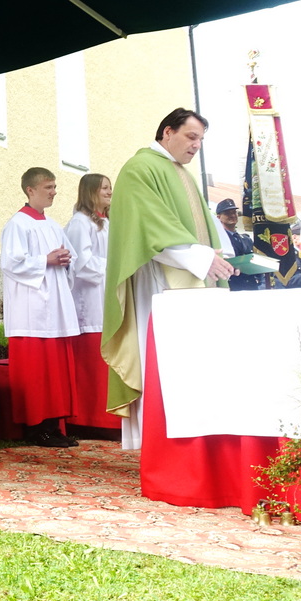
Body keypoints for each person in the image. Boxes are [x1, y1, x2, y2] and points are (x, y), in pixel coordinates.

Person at [102, 108, 235, 450]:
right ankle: (161, 442)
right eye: (191, 137)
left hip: (192, 282)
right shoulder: (140, 168)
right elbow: (148, 228)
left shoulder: (182, 174)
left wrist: (215, 258)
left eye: (201, 140)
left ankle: (196, 437)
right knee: (161, 361)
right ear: (167, 132)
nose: (196, 146)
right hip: (158, 283)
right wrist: (201, 259)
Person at [0, 167, 80, 447]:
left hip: (55, 307)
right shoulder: (18, 224)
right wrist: (46, 260)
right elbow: (11, 263)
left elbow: (71, 259)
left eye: (54, 187)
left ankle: (53, 426)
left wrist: (66, 260)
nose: (54, 192)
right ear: (30, 190)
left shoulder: (54, 225)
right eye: (48, 187)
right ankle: (36, 428)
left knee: (54, 370)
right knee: (37, 371)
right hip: (31, 309)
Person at [63, 173, 122, 432]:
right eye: (104, 188)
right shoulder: (80, 223)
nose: (110, 192)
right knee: (91, 364)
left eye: (110, 187)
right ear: (90, 192)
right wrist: (115, 265)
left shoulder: (106, 222)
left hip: (108, 295)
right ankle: (89, 420)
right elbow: (81, 263)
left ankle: (109, 418)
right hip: (90, 301)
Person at [215, 198, 264, 291]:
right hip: (231, 286)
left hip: (251, 286)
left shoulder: (246, 239)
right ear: (218, 217)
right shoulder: (218, 239)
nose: (232, 215)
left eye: (234, 212)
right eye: (227, 213)